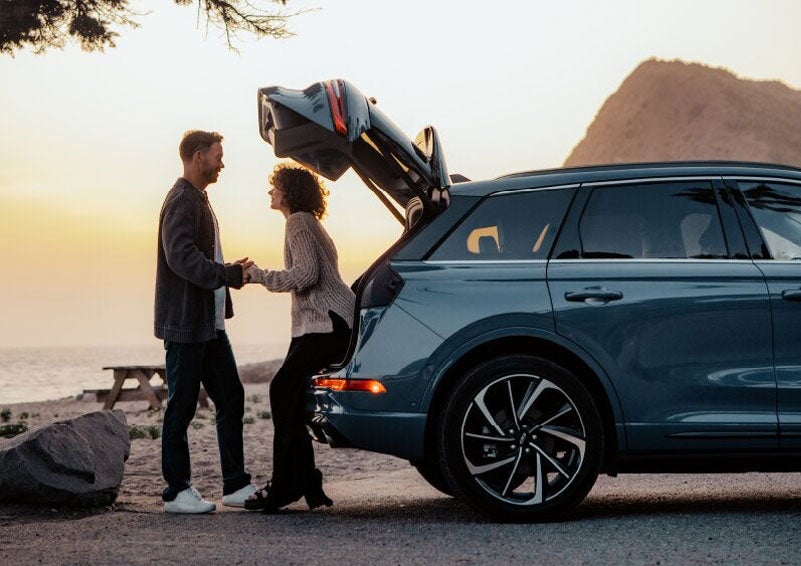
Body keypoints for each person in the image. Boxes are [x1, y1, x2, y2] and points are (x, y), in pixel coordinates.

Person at [154, 129, 257, 513]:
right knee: (181, 406)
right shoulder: (182, 199)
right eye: (217, 156)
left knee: (231, 397)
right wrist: (227, 274)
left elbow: (200, 256)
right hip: (187, 325)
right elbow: (179, 256)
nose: (222, 163)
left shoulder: (199, 199)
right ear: (198, 157)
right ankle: (176, 492)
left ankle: (235, 485)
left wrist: (229, 274)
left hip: (210, 326)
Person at [243, 162, 355, 513]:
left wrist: (258, 276)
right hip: (323, 322)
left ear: (288, 192)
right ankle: (303, 480)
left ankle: (288, 484)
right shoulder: (308, 222)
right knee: (291, 395)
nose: (270, 192)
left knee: (281, 390)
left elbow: (306, 275)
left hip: (327, 322)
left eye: (275, 186)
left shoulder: (299, 222)